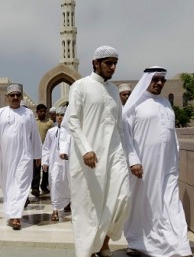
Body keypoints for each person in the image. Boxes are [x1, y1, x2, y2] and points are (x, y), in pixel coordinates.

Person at [61, 46, 130, 257]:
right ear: (95, 63)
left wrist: (126, 155)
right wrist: (86, 149)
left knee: (122, 197)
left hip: (114, 154)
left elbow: (119, 126)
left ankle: (103, 240)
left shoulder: (113, 91)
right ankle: (89, 250)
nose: (112, 67)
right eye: (108, 63)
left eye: (114, 63)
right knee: (88, 207)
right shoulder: (80, 86)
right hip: (88, 158)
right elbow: (71, 120)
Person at [122, 66, 192, 257]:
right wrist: (133, 160)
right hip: (143, 165)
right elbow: (125, 136)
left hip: (167, 164)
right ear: (147, 80)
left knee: (170, 201)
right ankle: (137, 240)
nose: (159, 83)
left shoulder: (165, 104)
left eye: (162, 80)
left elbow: (171, 134)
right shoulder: (134, 104)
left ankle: (177, 243)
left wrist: (176, 157)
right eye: (155, 79)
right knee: (142, 203)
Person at [0, 83, 42, 230]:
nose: (15, 97)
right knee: (8, 186)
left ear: (21, 97)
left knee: (21, 185)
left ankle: (16, 216)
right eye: (12, 95)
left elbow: (34, 136)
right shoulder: (0, 113)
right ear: (7, 97)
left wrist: (38, 155)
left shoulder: (28, 114)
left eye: (18, 95)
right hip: (5, 157)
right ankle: (11, 213)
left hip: (24, 156)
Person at [42, 106, 71, 221]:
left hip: (67, 163)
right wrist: (45, 161)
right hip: (54, 163)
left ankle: (67, 202)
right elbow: (46, 148)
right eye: (58, 115)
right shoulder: (51, 131)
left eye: (62, 115)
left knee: (67, 183)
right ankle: (55, 209)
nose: (60, 117)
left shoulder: (70, 132)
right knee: (54, 182)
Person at [32, 104, 54, 197]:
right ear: (37, 112)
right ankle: (35, 188)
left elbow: (53, 135)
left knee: (45, 169)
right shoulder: (33, 122)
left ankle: (44, 186)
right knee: (36, 169)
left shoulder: (50, 122)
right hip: (36, 149)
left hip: (46, 150)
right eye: (40, 111)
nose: (42, 113)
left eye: (44, 111)